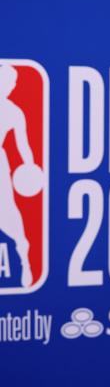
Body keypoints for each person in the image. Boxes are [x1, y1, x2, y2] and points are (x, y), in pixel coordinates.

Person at [0, 64, 34, 287]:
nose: (11, 87)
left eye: (13, 83)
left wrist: (30, 167)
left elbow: (24, 146)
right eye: (8, 81)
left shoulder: (13, 111)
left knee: (9, 213)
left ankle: (25, 258)